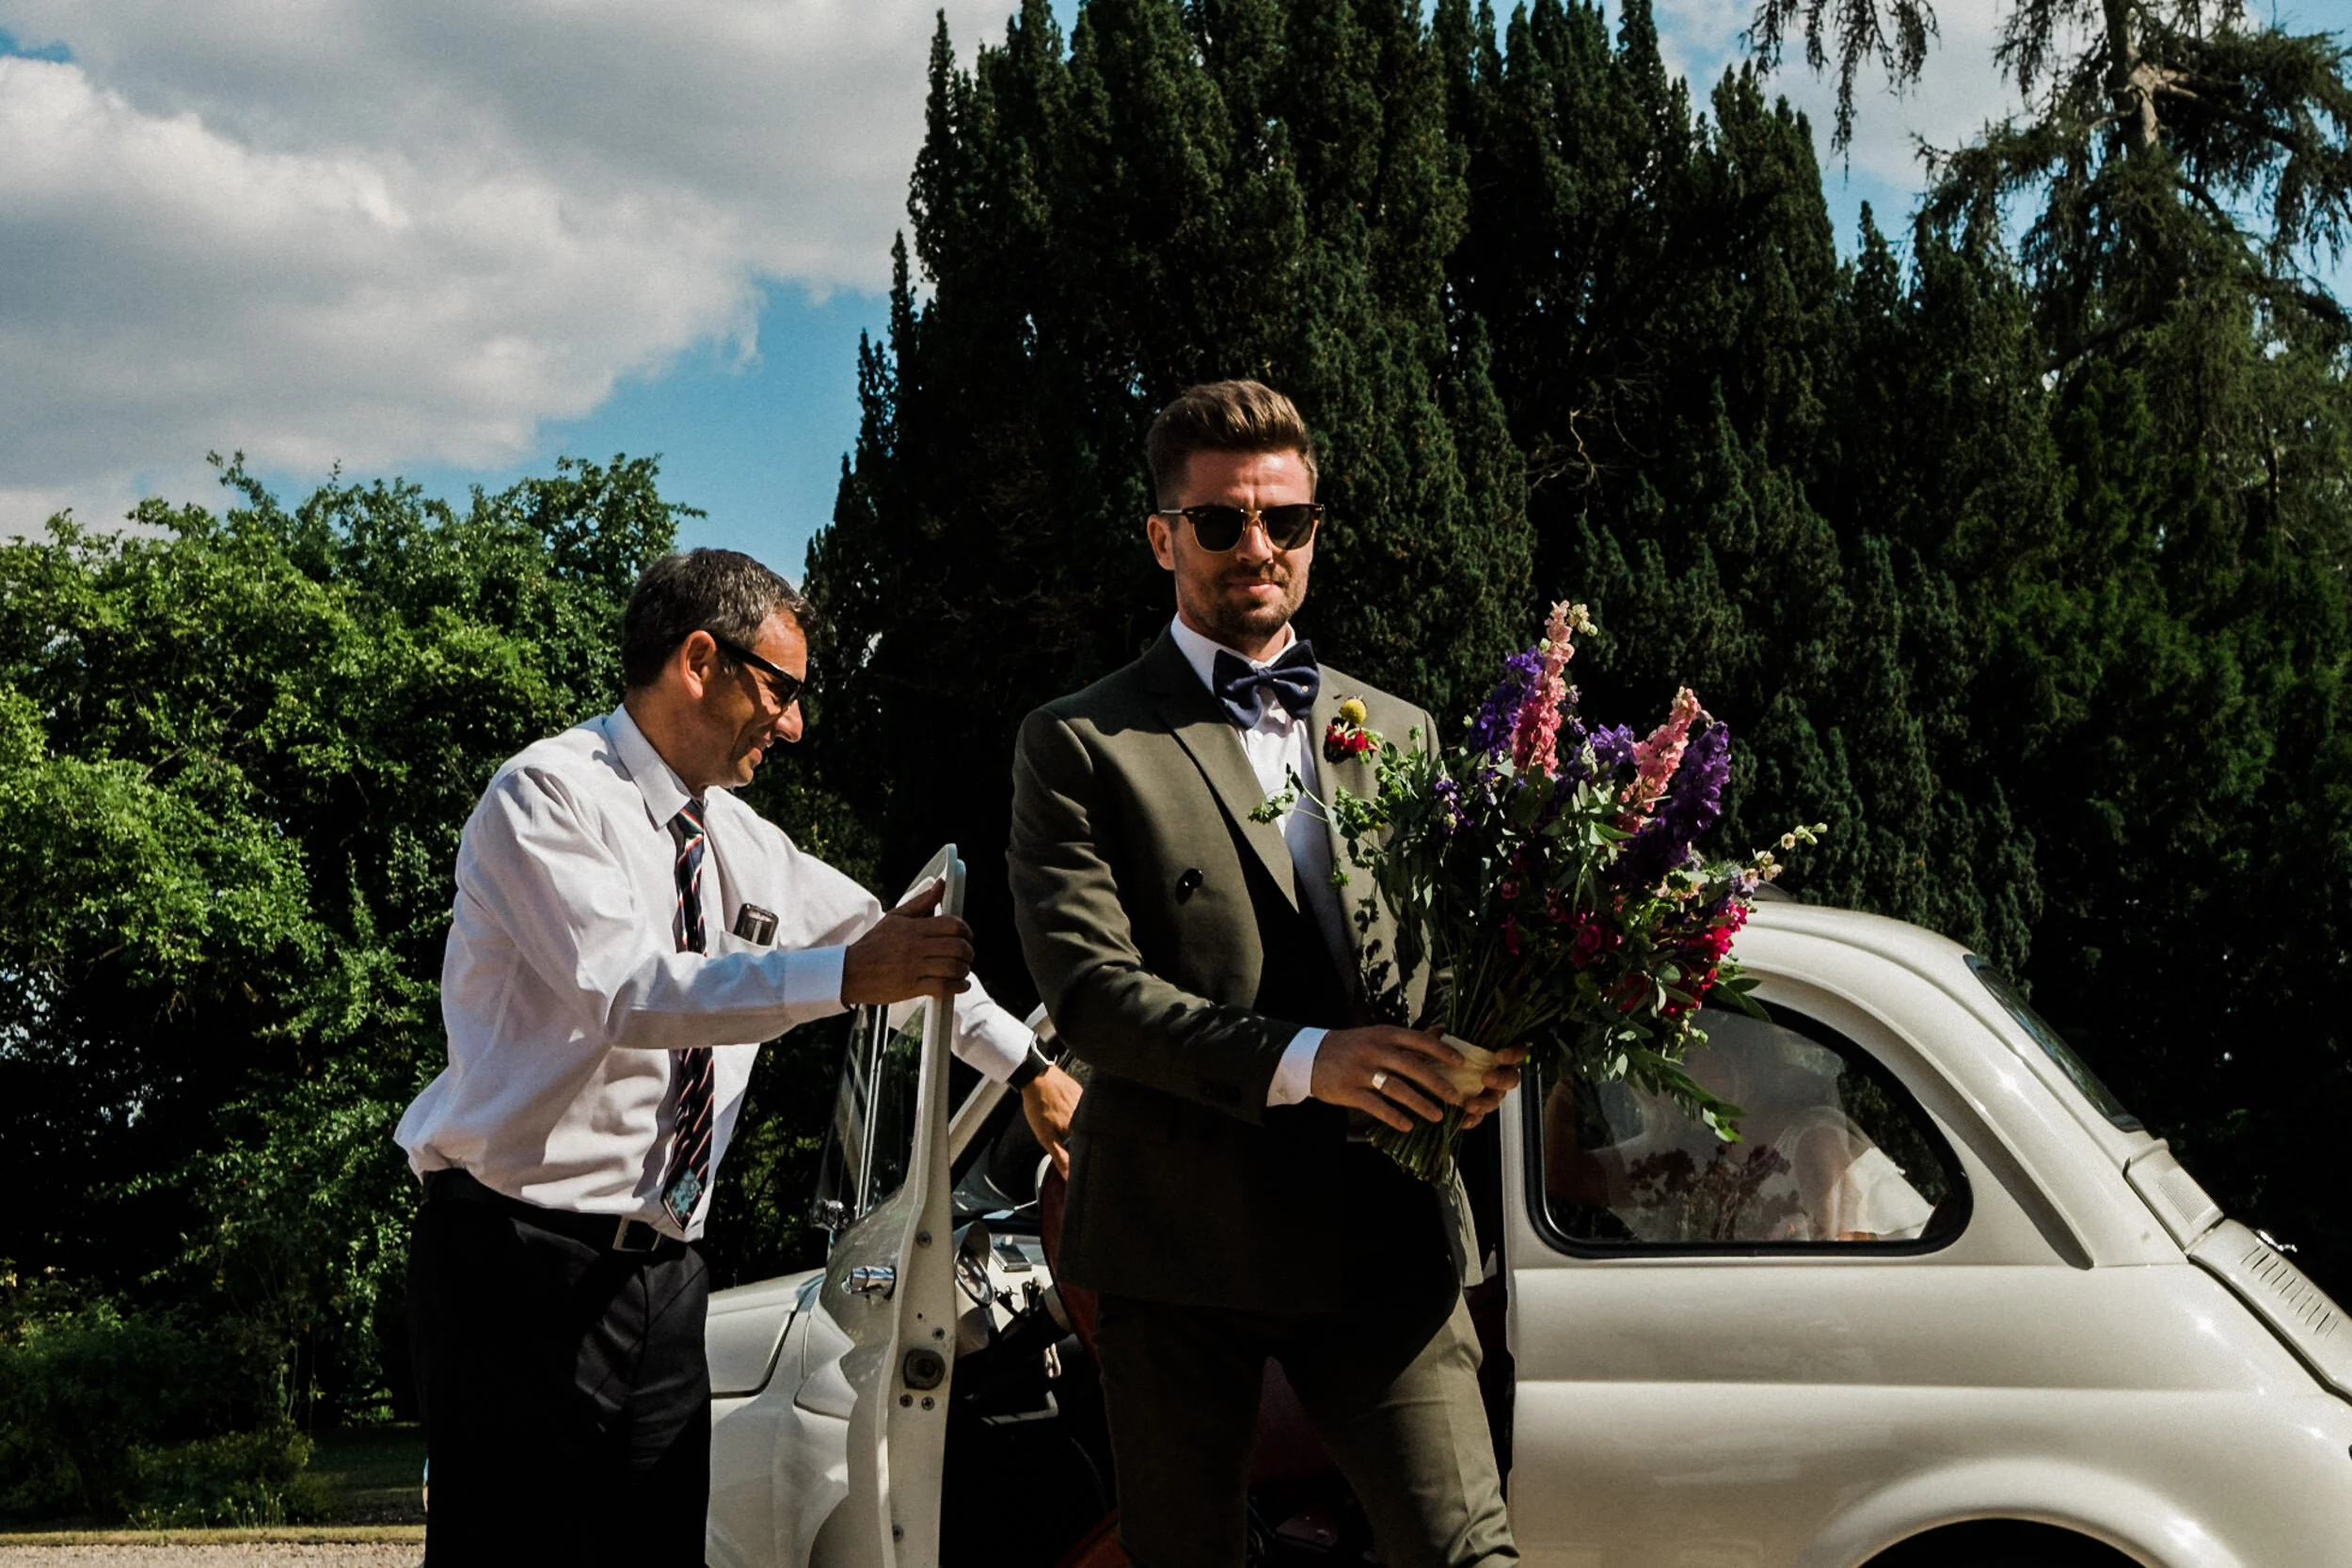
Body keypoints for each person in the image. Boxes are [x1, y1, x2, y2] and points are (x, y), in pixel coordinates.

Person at [396, 548, 1079, 1566]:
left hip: (668, 1272)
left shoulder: (745, 844)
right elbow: (632, 993)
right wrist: (843, 975)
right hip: (516, 1264)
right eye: (780, 689)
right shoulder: (545, 796)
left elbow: (910, 954)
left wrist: (1032, 1071)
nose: (793, 724)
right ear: (698, 661)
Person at [1007, 380, 1522, 1568]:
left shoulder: (1400, 729)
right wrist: (1311, 1060)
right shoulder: (1077, 741)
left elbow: (1440, 957)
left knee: (1463, 1551)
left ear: (1312, 529)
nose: (1258, 546)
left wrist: (1477, 1049)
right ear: (1163, 537)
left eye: (1284, 520)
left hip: (1383, 1232)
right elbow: (1091, 996)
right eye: (1220, 521)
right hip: (1177, 1242)